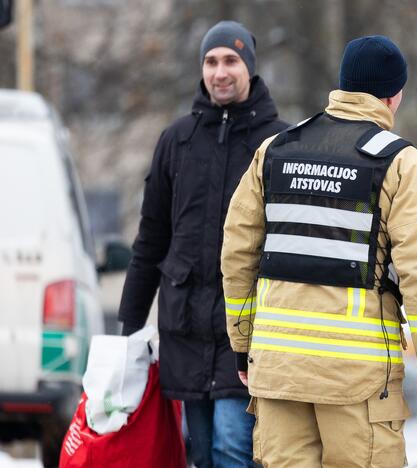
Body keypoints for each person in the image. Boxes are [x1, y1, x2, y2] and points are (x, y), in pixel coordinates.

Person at [221, 35, 417, 467]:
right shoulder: (399, 162)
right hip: (357, 378)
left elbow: (238, 253)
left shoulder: (278, 149)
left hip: (278, 369)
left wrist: (242, 345)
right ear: (394, 94)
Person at [117, 20, 288, 468]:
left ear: (249, 66)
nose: (220, 72)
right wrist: (129, 322)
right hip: (186, 328)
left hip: (247, 332)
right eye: (210, 62)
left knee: (233, 445)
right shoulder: (176, 141)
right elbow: (151, 238)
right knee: (199, 451)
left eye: (230, 60)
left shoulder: (279, 144)